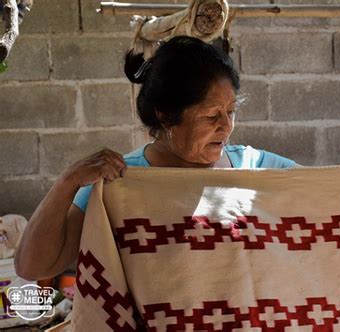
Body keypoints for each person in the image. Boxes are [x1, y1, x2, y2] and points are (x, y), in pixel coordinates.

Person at [14, 36, 298, 281]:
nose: (227, 127)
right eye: (211, 116)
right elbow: (32, 267)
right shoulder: (119, 184)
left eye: (231, 111)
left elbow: (331, 195)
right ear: (165, 115)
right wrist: (68, 181)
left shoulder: (254, 168)